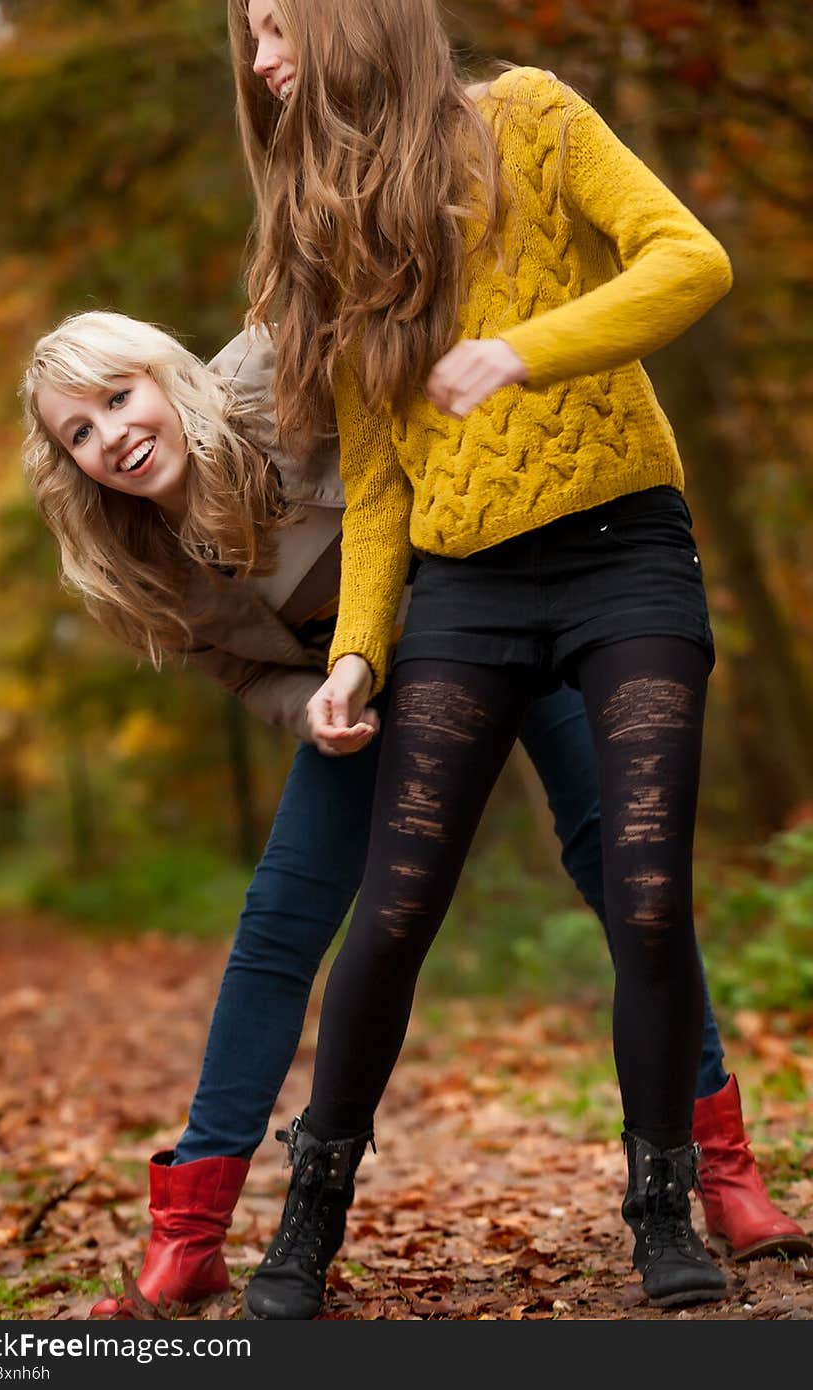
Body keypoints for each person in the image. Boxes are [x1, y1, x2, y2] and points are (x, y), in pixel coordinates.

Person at [21, 312, 808, 1322]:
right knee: (277, 928)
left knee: (627, 877)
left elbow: (393, 358)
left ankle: (719, 1170)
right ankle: (188, 1236)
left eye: (117, 396)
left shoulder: (273, 374)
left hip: (496, 615)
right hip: (363, 703)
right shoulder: (132, 558)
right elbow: (235, 665)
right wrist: (307, 710)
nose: (111, 437)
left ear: (161, 373)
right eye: (77, 432)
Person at [229, 0, 810, 1317]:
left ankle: (663, 1201)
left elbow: (691, 258)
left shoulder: (535, 118)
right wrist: (359, 653)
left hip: (626, 556)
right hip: (468, 590)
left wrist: (523, 349)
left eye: (274, 27)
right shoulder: (334, 232)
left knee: (649, 890)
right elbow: (378, 487)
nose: (262, 63)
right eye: (250, 37)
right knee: (395, 908)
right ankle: (308, 1218)